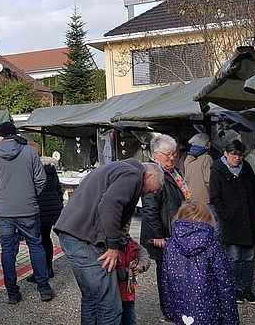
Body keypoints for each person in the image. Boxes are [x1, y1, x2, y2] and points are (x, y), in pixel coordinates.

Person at [54, 159, 162, 324]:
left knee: (91, 300)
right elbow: (110, 205)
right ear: (150, 175)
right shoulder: (133, 174)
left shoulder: (117, 167)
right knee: (109, 306)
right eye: (151, 191)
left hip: (72, 233)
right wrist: (113, 246)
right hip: (84, 239)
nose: (146, 195)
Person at [0, 121, 54, 304]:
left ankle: (12, 293)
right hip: (28, 208)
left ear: (0, 136)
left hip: (4, 210)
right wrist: (30, 196)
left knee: (7, 250)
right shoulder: (29, 152)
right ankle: (44, 289)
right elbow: (41, 180)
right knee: (36, 246)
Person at [161, 199, 239, 324]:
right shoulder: (214, 247)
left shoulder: (170, 246)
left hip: (180, 310)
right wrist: (230, 320)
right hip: (210, 312)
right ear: (208, 218)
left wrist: (170, 312)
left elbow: (166, 281)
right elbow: (225, 285)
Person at [139, 134, 189, 320]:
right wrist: (160, 236)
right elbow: (150, 211)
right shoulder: (153, 174)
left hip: (175, 230)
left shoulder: (174, 172)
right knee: (166, 273)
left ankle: (177, 305)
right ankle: (168, 309)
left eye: (173, 154)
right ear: (156, 154)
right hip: (162, 234)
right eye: (167, 155)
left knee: (175, 271)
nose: (171, 158)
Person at [209, 139, 255, 305]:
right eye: (234, 154)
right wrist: (226, 215)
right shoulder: (218, 171)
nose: (237, 158)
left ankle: (247, 288)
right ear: (226, 154)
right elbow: (215, 197)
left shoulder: (246, 169)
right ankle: (235, 289)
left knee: (248, 258)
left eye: (240, 155)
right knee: (234, 257)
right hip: (232, 221)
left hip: (249, 220)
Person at [25, 155, 64, 282]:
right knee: (46, 238)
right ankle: (49, 268)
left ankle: (39, 271)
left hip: (40, 207)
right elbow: (59, 189)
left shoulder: (35, 171)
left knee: (37, 241)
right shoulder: (52, 171)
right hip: (53, 206)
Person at [116, 220, 150, 325]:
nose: (126, 226)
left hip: (128, 292)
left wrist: (142, 266)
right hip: (114, 292)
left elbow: (144, 255)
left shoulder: (132, 244)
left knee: (130, 320)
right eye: (123, 223)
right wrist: (125, 273)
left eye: (128, 224)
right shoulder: (111, 245)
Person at [184, 133, 213, 204]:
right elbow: (209, 180)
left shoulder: (188, 159)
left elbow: (186, 179)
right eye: (209, 141)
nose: (211, 143)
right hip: (205, 199)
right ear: (206, 144)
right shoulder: (206, 158)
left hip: (191, 198)